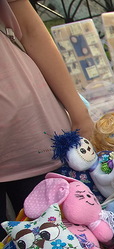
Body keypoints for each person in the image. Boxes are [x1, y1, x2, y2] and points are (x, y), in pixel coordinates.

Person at [0, 0, 94, 229]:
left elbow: (29, 29)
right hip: (27, 127)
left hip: (28, 133)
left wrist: (79, 114)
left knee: (63, 237)